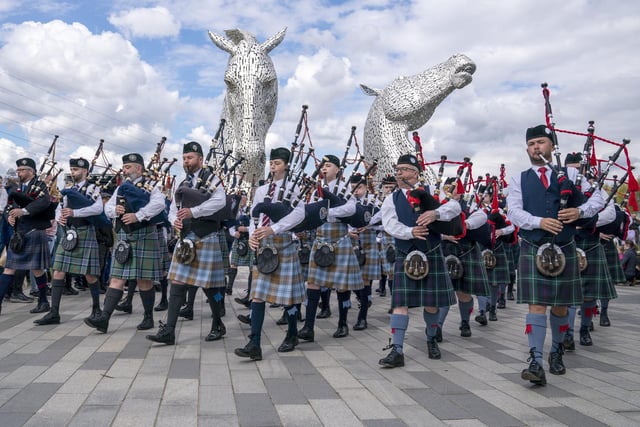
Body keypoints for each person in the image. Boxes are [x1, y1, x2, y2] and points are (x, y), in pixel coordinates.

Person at [506, 125, 604, 386]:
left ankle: (557, 349)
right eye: (531, 144)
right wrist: (539, 222)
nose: (535, 147)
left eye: (540, 142)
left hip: (564, 245)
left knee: (561, 307)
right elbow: (513, 212)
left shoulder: (571, 173)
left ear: (552, 145)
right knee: (536, 305)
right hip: (533, 245)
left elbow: (599, 198)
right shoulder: (519, 179)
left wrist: (579, 213)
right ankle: (535, 360)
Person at [378, 154, 458, 368]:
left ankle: (431, 338)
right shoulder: (391, 199)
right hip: (406, 253)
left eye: (404, 169)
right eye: (397, 169)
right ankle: (397, 349)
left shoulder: (432, 191)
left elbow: (455, 208)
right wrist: (410, 231)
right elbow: (389, 224)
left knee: (432, 304)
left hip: (431, 252)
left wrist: (435, 214)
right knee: (399, 304)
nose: (399, 173)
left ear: (415, 172)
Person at [146, 142, 227, 345]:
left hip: (206, 236)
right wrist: (175, 219)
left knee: (211, 288)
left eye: (190, 158)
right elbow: (174, 207)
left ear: (200, 159)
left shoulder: (212, 179)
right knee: (178, 282)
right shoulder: (182, 183)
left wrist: (194, 212)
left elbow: (220, 202)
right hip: (186, 238)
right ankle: (169, 331)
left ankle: (218, 322)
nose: (186, 161)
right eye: (184, 158)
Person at [234, 147, 306, 360]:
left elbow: (299, 214)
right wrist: (252, 236)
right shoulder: (262, 190)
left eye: (277, 162)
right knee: (257, 296)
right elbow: (254, 215)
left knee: (289, 297)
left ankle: (292, 334)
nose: (273, 166)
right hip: (263, 244)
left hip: (283, 242)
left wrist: (273, 229)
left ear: (286, 165)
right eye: (271, 162)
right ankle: (254, 343)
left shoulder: (294, 188)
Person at [85, 153, 165, 333]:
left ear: (139, 168)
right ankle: (104, 319)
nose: (125, 170)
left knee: (144, 280)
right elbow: (107, 207)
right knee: (116, 279)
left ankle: (148, 317)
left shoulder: (151, 186)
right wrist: (115, 209)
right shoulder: (121, 188)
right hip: (124, 238)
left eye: (128, 167)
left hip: (144, 235)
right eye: (124, 167)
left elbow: (159, 205)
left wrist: (138, 215)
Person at [298, 155, 363, 342]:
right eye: (322, 166)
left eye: (328, 165)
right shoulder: (315, 190)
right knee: (313, 282)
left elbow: (351, 209)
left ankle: (343, 324)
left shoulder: (343, 187)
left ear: (338, 169)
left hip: (340, 237)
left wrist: (326, 212)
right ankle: (308, 327)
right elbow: (307, 210)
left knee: (342, 286)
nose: (324, 169)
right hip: (320, 237)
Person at [34, 158, 105, 325]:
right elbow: (60, 207)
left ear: (85, 171)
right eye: (72, 169)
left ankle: (96, 309)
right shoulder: (68, 189)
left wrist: (75, 213)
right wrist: (61, 218)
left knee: (90, 275)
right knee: (58, 270)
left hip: (86, 231)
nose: (73, 172)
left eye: (76, 170)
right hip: (69, 232)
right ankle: (54, 313)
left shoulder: (92, 189)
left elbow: (98, 209)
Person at [0, 158, 54, 316]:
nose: (19, 173)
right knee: (9, 268)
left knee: (37, 269)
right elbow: (9, 206)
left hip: (34, 231)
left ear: (32, 171)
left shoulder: (40, 186)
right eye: (18, 170)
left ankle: (43, 301)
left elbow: (43, 203)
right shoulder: (16, 189)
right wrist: (9, 216)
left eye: (23, 170)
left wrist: (22, 211)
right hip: (20, 234)